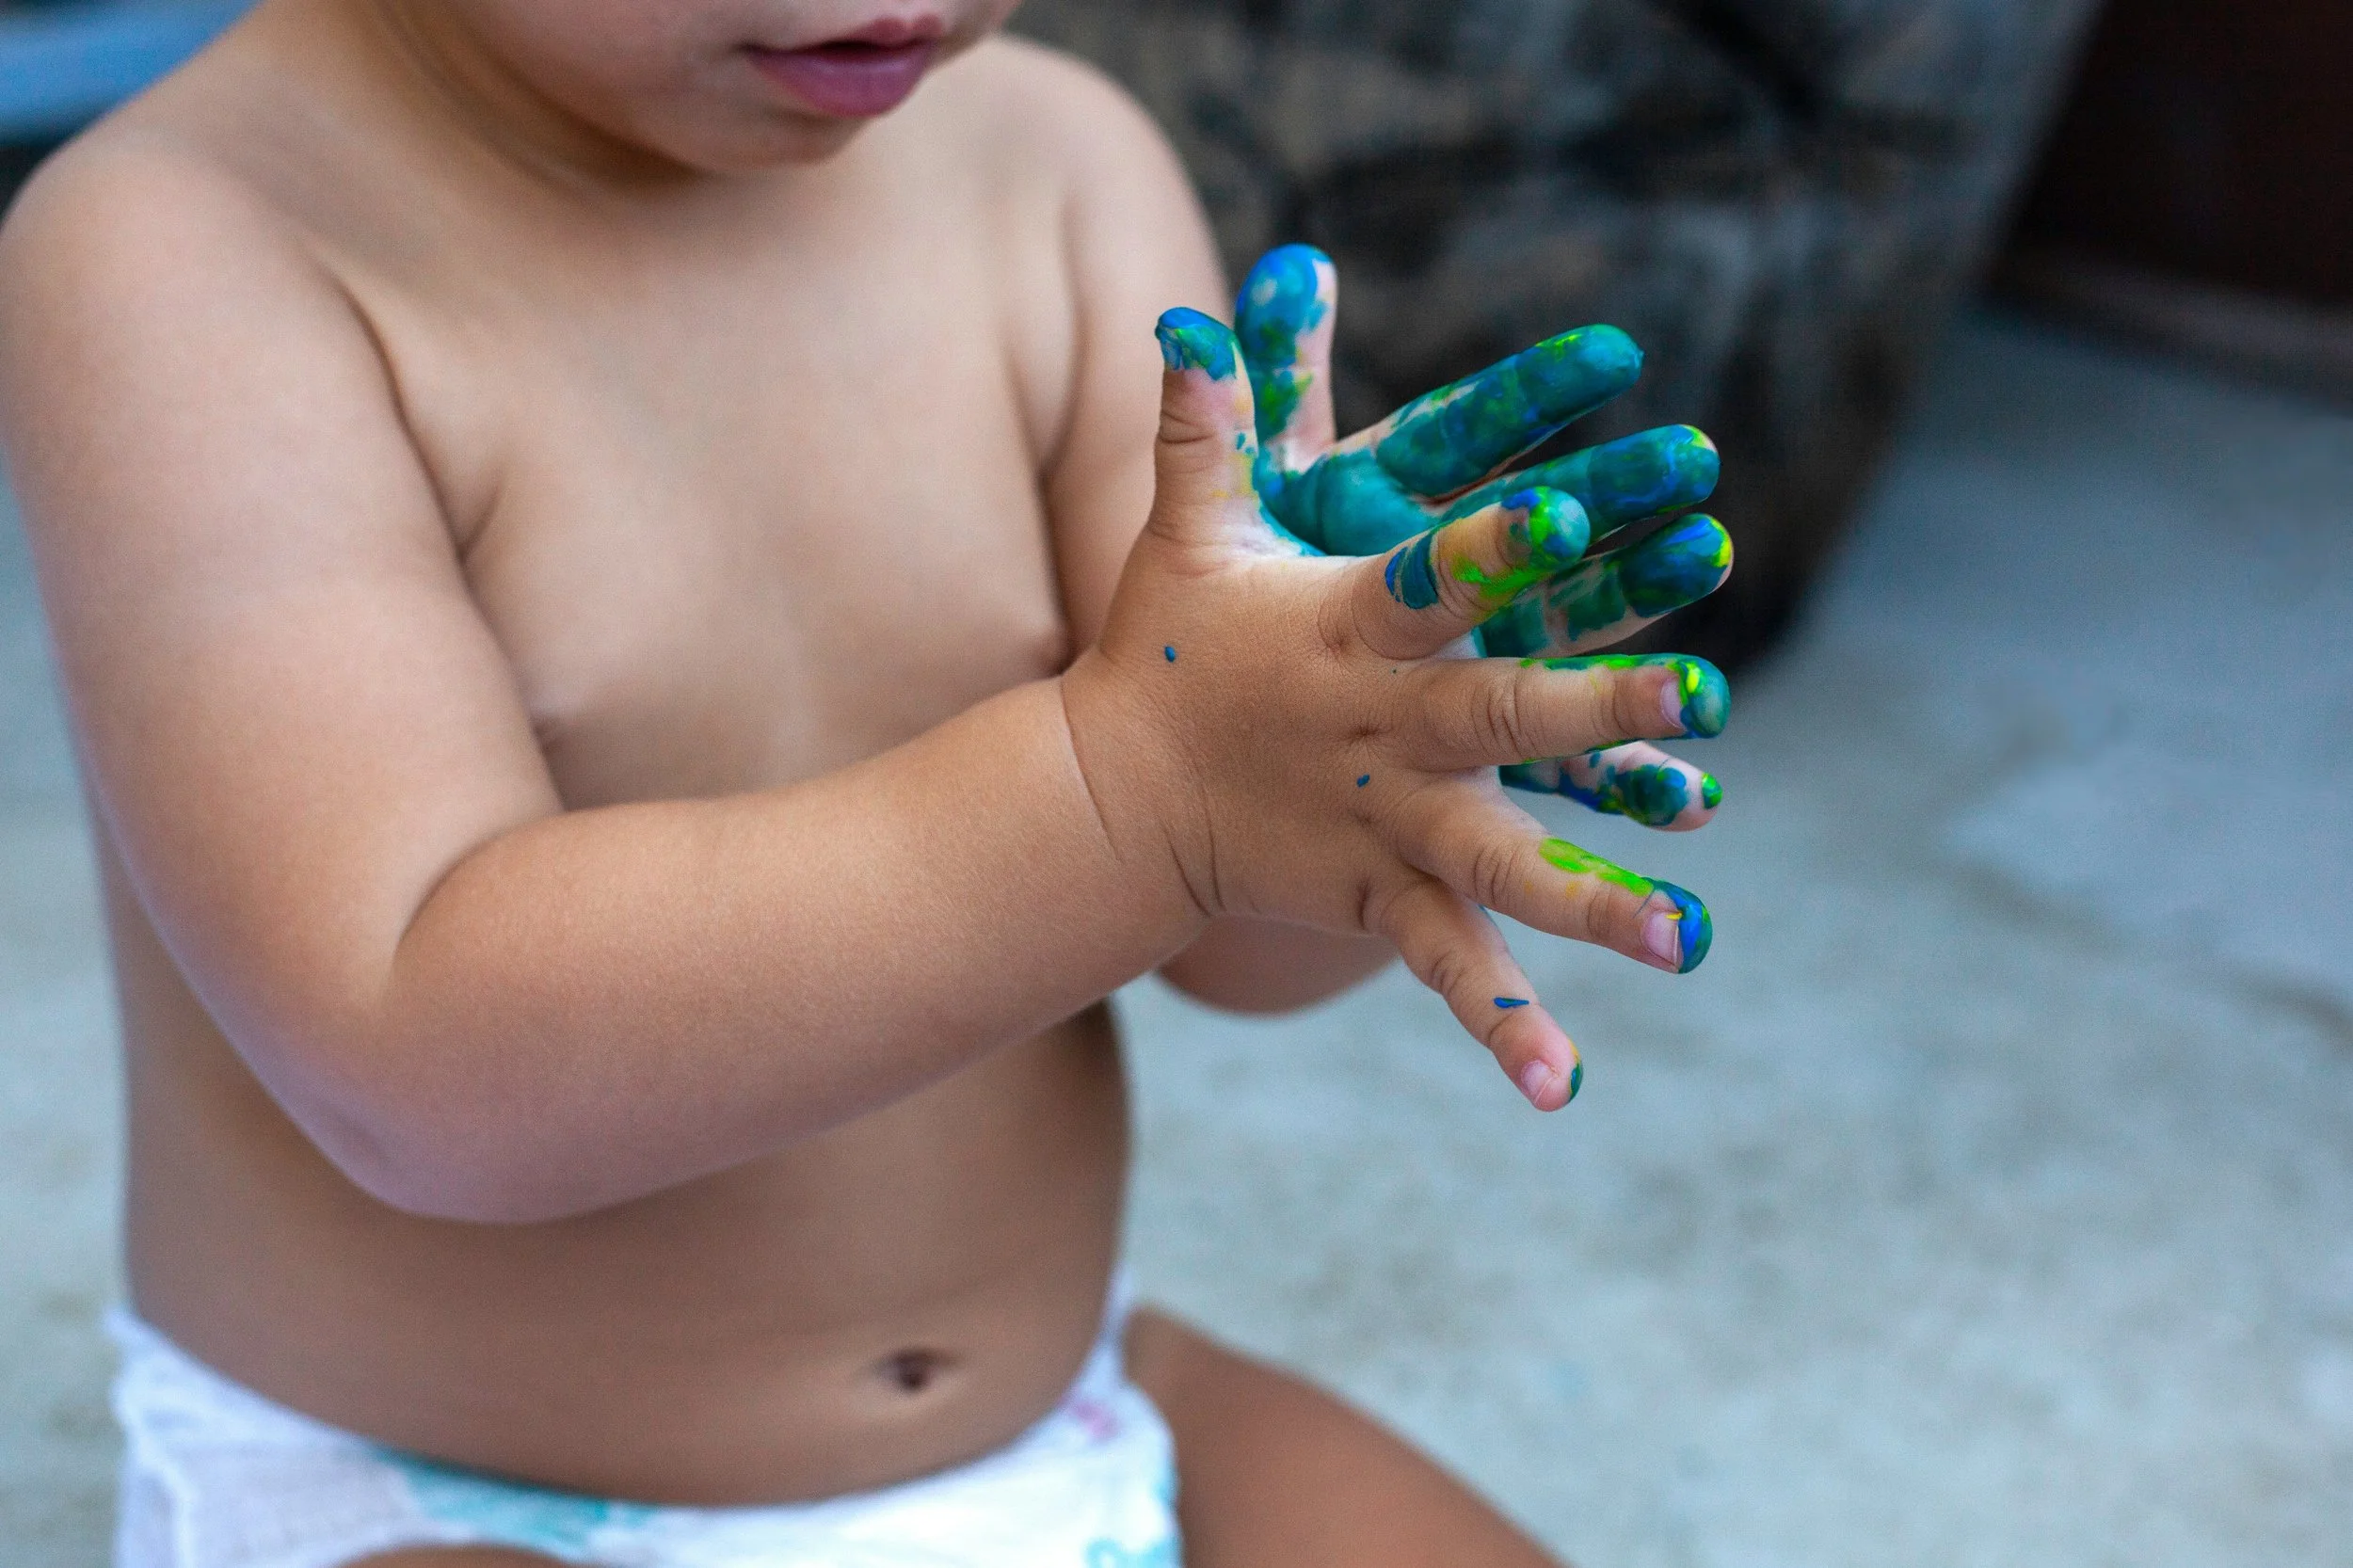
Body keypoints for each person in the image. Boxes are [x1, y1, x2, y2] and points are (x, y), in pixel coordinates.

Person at [0, 4, 1735, 1564]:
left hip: (1068, 1421)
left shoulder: (1050, 173)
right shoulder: (186, 253)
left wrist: (1354, 749)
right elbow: (417, 1069)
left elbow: (1230, 936)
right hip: (432, 1494)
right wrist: (1130, 787)